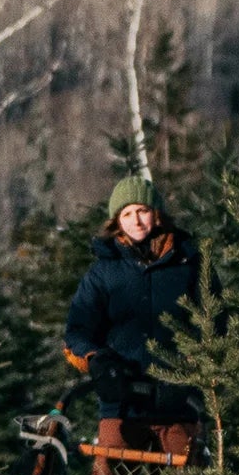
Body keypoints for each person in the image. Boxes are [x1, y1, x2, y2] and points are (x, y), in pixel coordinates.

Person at [63, 178, 202, 459]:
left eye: (142, 211)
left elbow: (216, 324)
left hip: (178, 404)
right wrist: (98, 360)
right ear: (116, 221)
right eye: (126, 214)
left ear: (157, 214)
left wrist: (190, 371)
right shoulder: (103, 273)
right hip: (121, 406)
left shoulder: (188, 265)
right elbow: (77, 332)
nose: (135, 221)